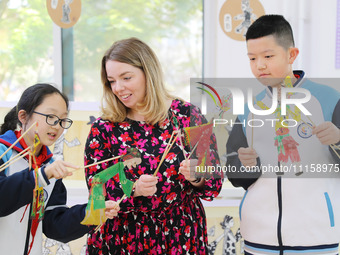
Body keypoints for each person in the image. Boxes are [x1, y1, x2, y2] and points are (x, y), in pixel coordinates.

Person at [84, 37, 223, 254]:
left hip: (180, 236)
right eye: (112, 81)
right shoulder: (103, 128)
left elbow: (214, 184)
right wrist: (133, 189)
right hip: (123, 238)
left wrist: (197, 176)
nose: (118, 88)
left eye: (126, 77)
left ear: (148, 73)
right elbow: (95, 192)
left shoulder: (188, 116)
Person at [226, 14, 340, 254]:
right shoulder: (249, 108)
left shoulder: (329, 99)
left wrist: (338, 140)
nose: (260, 65)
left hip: (315, 238)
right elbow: (235, 174)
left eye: (268, 56)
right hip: (258, 239)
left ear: (291, 55)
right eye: (252, 58)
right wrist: (245, 164)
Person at [0, 83, 120, 255]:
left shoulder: (49, 165)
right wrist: (41, 175)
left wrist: (92, 212)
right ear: (23, 116)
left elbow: (54, 226)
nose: (57, 126)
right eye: (50, 117)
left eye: (63, 120)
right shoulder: (3, 152)